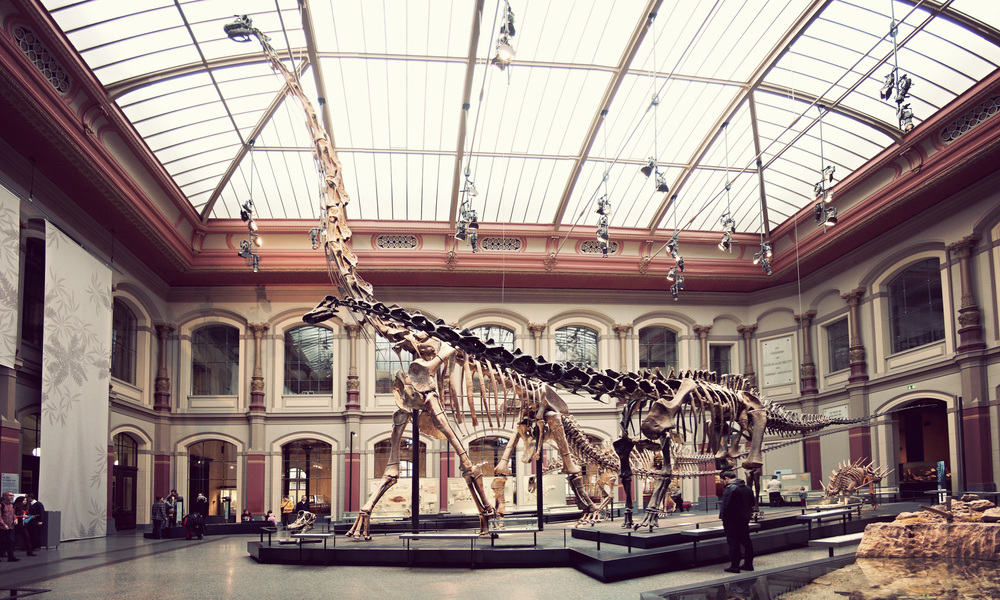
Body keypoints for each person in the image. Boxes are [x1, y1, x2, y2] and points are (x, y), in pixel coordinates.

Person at [719, 470, 754, 573]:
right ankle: (748, 564)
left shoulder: (730, 488)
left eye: (722, 480)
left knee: (733, 542)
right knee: (746, 541)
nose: (722, 482)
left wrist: (723, 518)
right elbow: (752, 502)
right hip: (744, 519)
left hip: (732, 520)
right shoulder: (747, 487)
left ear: (726, 479)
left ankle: (735, 566)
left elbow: (726, 505)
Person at [0, 491, 18, 562]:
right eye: (10, 495)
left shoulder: (11, 505)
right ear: (4, 496)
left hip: (10, 526)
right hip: (2, 527)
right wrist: (3, 524)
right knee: (2, 542)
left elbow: (13, 514)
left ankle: (11, 556)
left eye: (13, 495)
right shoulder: (1, 505)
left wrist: (15, 519)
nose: (12, 497)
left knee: (11, 541)